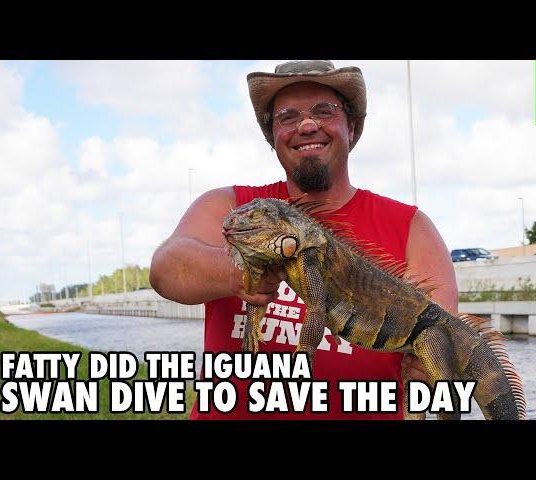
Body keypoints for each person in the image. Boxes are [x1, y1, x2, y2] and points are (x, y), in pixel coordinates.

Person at [150, 60, 458, 419]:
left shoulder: (411, 227)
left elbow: (442, 341)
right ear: (273, 136)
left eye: (324, 111)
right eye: (287, 117)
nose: (307, 125)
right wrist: (246, 270)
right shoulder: (235, 208)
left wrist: (431, 373)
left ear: (352, 127)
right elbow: (166, 269)